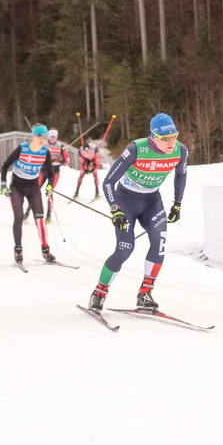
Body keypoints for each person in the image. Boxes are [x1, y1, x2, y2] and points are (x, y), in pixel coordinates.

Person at [87, 113, 188, 314]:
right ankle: (99, 293)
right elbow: (108, 182)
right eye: (165, 138)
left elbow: (181, 174)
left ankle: (145, 294)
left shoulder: (180, 151)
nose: (171, 142)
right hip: (126, 200)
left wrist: (177, 203)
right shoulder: (136, 149)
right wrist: (115, 209)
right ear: (153, 136)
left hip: (152, 201)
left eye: (174, 136)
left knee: (159, 243)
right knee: (125, 249)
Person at [0, 123, 56, 264]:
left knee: (40, 219)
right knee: (19, 217)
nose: (43, 139)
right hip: (17, 188)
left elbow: (50, 173)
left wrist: (49, 186)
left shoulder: (45, 152)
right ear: (34, 136)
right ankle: (18, 250)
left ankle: (45, 250)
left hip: (33, 188)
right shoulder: (22, 149)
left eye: (45, 136)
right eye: (40, 136)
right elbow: (5, 165)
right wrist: (3, 185)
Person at [24, 127, 69, 223]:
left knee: (49, 191)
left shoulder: (61, 146)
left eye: (54, 137)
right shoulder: (43, 143)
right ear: (48, 136)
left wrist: (58, 160)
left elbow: (67, 160)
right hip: (43, 170)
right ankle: (27, 213)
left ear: (56, 137)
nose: (52, 138)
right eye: (51, 136)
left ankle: (48, 215)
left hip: (54, 172)